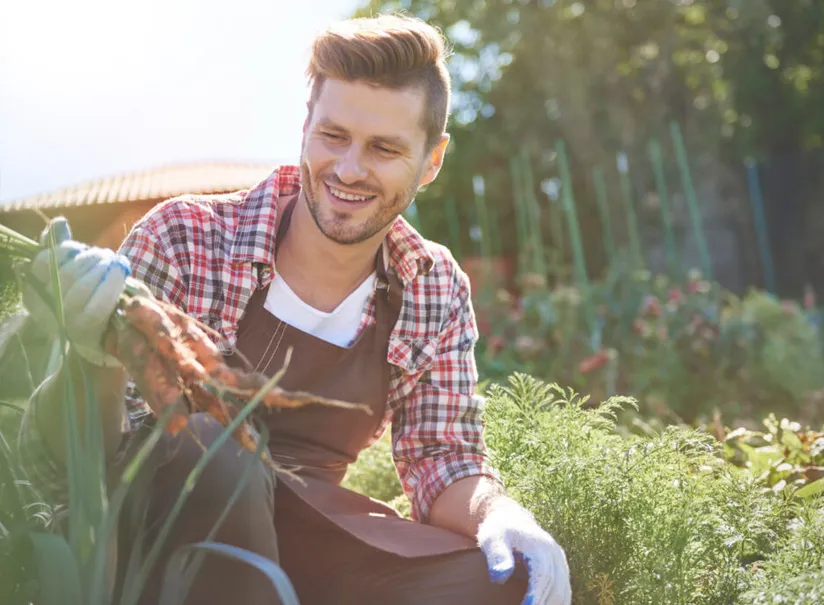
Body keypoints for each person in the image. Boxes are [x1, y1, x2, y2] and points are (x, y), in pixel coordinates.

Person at [17, 13, 571, 605]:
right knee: (213, 445)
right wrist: (91, 356)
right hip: (162, 538)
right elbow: (85, 458)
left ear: (431, 161)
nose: (350, 169)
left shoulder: (431, 285)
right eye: (334, 136)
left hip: (313, 534)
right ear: (306, 125)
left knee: (509, 577)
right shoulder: (184, 236)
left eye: (384, 149)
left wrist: (499, 513)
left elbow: (440, 458)